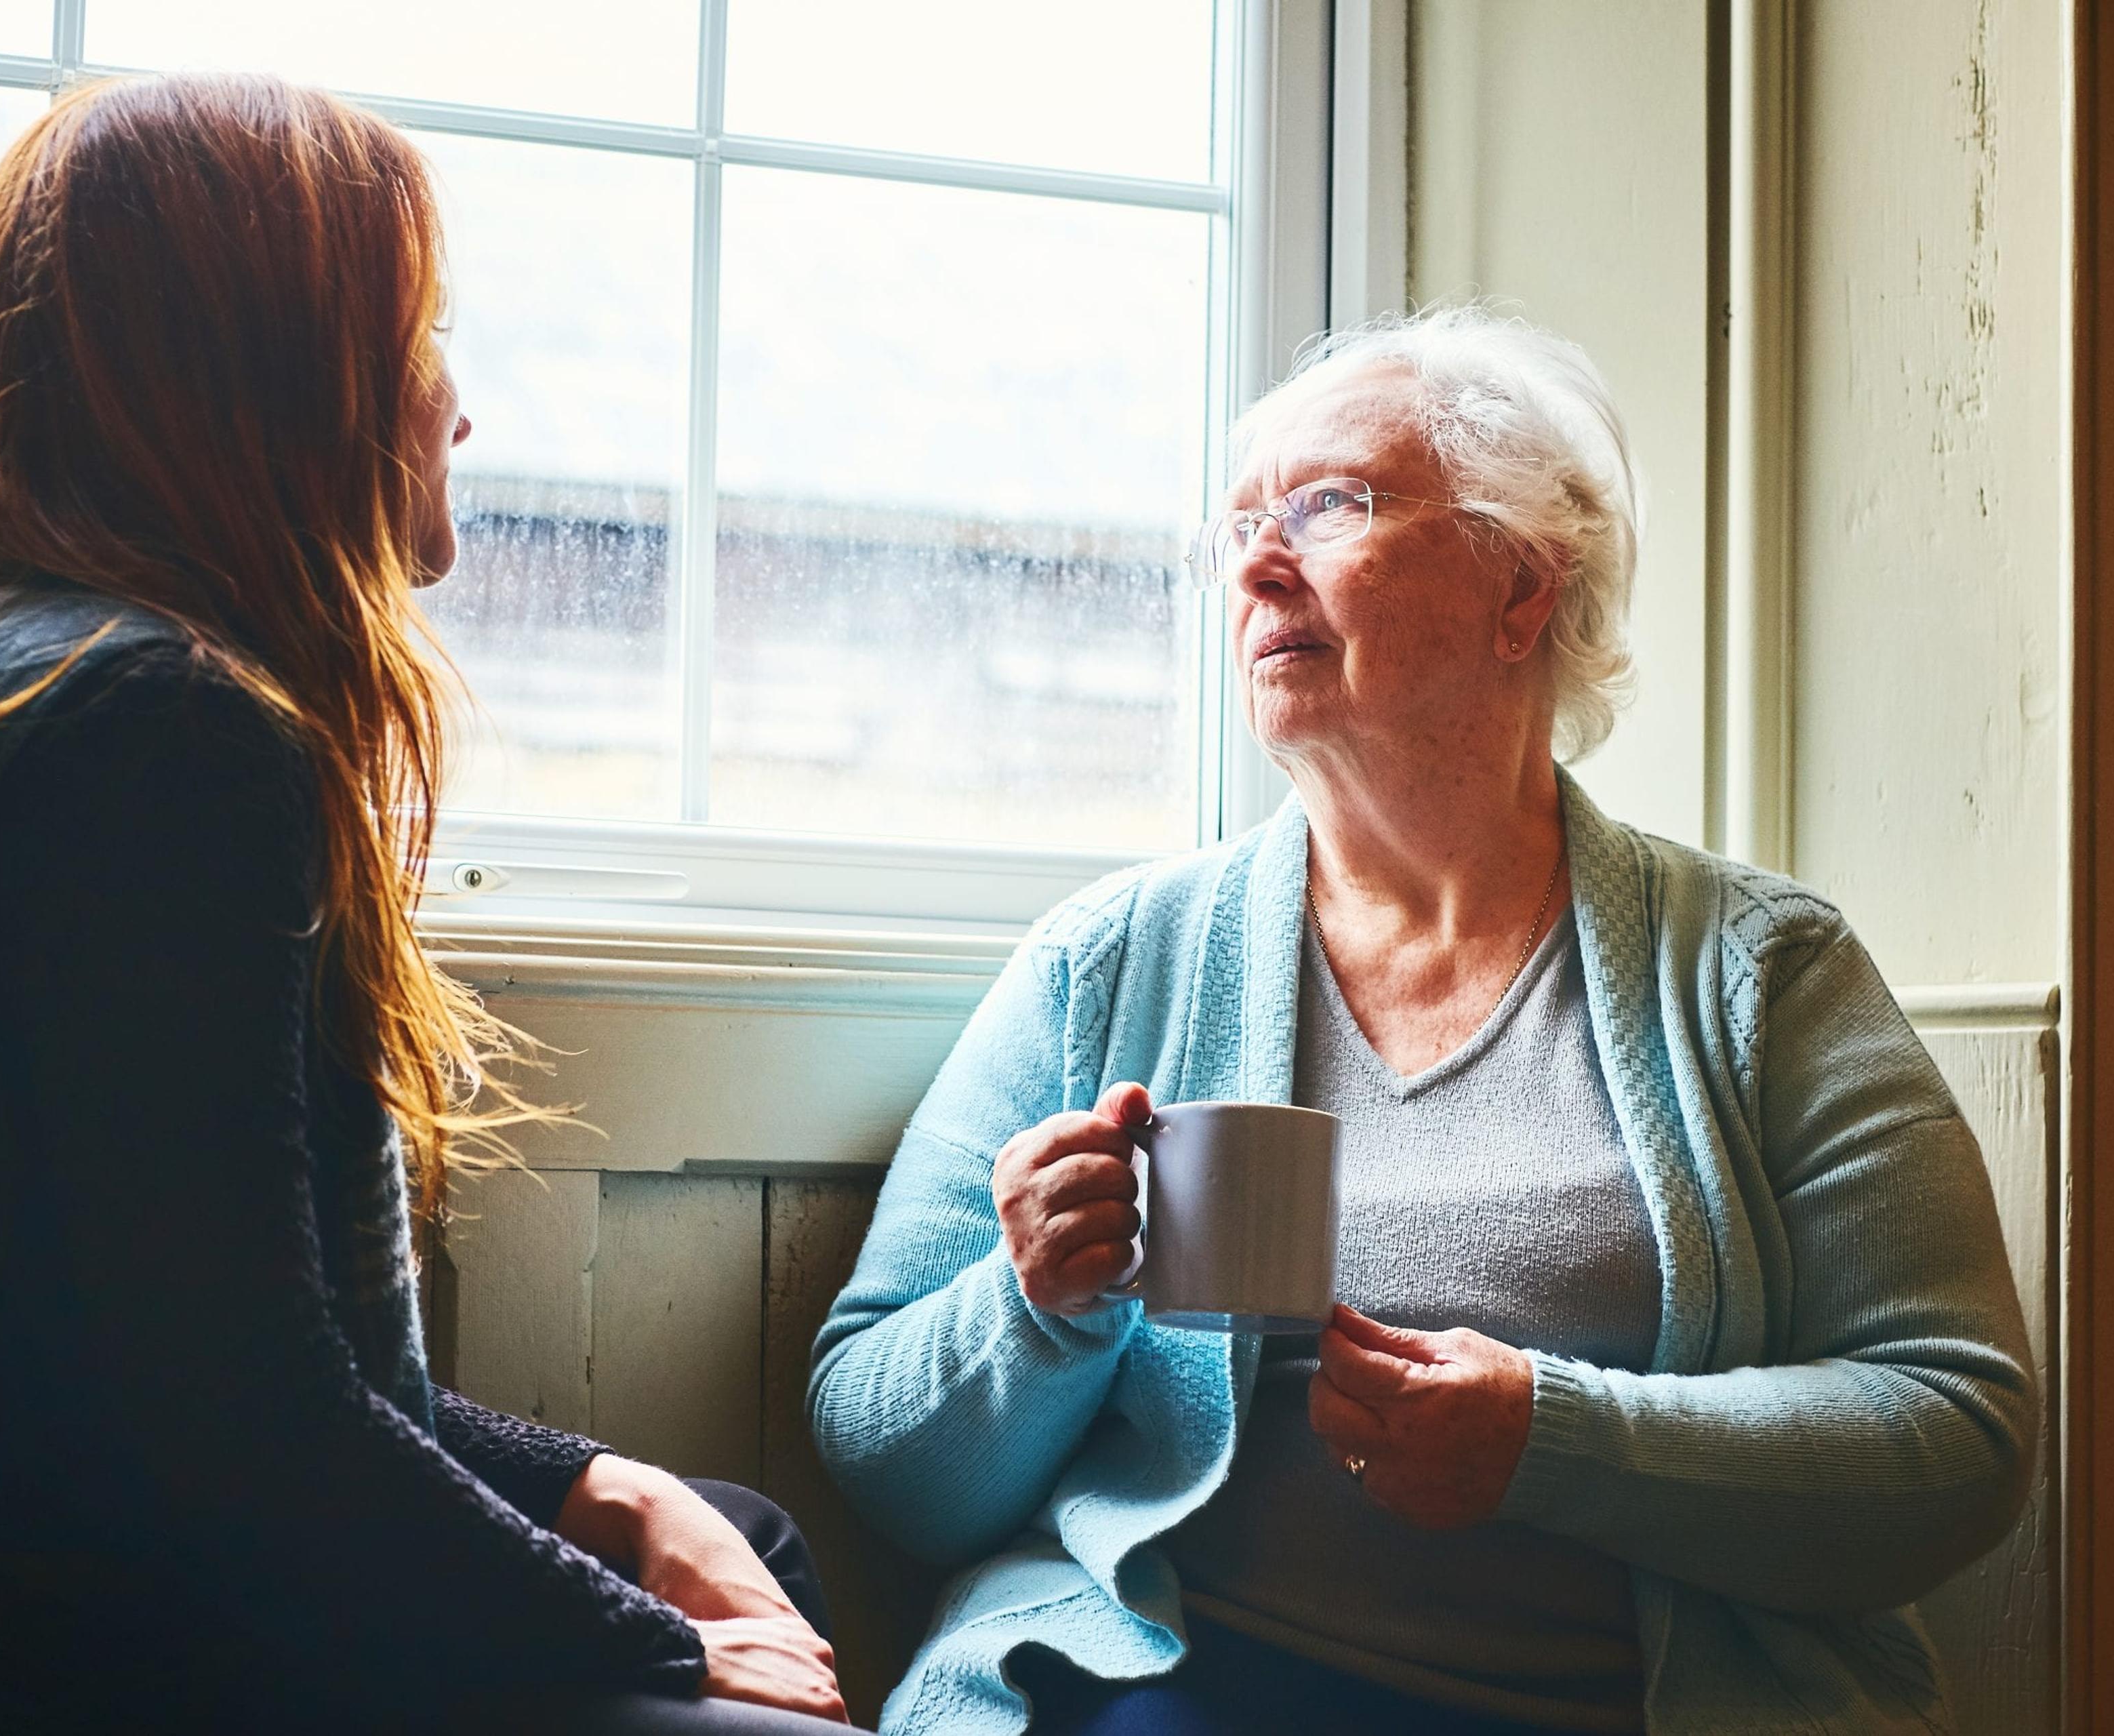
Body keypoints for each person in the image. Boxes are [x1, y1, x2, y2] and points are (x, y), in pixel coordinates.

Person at [0, 73, 851, 1734]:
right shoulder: (160, 730)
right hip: (13, 1651)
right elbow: (238, 1420)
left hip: (48, 1567)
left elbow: (213, 1343)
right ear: (283, 382)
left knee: (732, 1532)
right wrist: (655, 1647)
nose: (458, 402)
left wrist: (601, 1485)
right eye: (420, 331)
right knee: (752, 1679)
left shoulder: (48, 678)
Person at [806, 304, 2038, 1735]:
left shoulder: (1762, 972)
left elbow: (1958, 1433)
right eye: (1243, 526)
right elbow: (878, 1448)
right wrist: (1035, 1306)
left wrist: (1556, 1441)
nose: (1259, 563)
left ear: (1524, 587)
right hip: (1178, 1689)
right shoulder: (1110, 960)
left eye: (1330, 506)